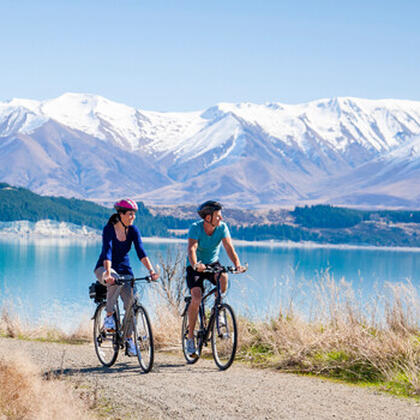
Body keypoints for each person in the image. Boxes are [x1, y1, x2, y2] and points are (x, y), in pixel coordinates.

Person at [94, 198, 159, 357]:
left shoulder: (133, 231)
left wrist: (151, 270)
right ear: (121, 214)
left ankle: (129, 339)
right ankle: (109, 317)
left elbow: (141, 252)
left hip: (125, 269)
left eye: (134, 214)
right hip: (104, 267)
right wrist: (108, 273)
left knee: (132, 302)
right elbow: (107, 251)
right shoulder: (109, 229)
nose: (133, 217)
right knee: (114, 280)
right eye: (130, 214)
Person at [185, 200, 245, 356]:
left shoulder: (222, 227)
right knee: (196, 298)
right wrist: (195, 264)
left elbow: (228, 247)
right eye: (218, 216)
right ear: (207, 218)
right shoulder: (195, 228)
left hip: (212, 263)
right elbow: (192, 248)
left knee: (223, 277)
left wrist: (237, 264)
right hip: (196, 266)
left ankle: (218, 310)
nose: (221, 218)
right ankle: (190, 337)